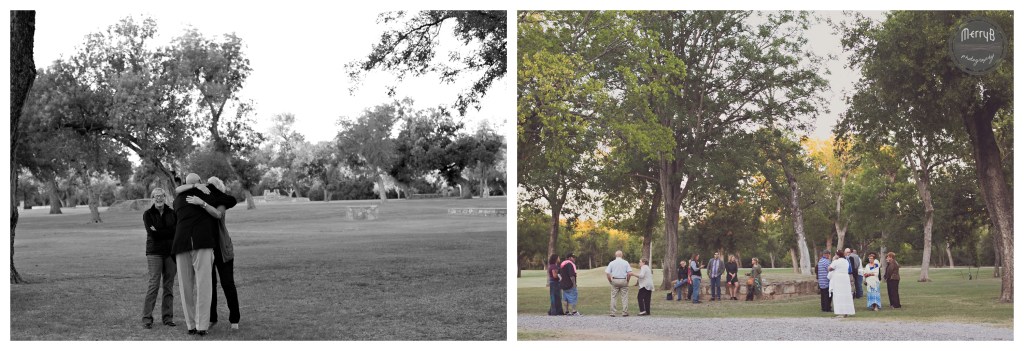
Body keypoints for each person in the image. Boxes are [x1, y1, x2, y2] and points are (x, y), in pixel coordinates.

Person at [172, 173, 237, 336]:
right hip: (202, 242)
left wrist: (194, 191)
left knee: (185, 286)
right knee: (204, 285)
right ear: (201, 182)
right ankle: (202, 326)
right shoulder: (208, 191)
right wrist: (205, 195)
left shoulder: (177, 200)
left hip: (181, 243)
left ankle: (190, 325)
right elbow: (232, 200)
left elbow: (177, 189)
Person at [142, 188, 177, 329]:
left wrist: (160, 231)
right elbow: (152, 233)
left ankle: (167, 317)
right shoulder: (148, 214)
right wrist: (166, 232)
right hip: (154, 253)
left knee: (168, 286)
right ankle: (147, 318)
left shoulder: (172, 213)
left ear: (165, 197)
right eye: (156, 196)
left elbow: (175, 231)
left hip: (170, 253)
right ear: (152, 198)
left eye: (161, 196)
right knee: (154, 285)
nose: (159, 199)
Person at [828, 249, 855, 317]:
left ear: (837, 255)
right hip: (845, 278)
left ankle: (841, 312)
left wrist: (834, 260)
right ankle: (846, 311)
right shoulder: (846, 261)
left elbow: (829, 268)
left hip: (838, 279)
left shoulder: (836, 262)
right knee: (846, 294)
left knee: (838, 295)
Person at [605, 250, 632, 317]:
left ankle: (612, 312)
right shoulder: (626, 262)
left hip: (615, 280)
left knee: (613, 297)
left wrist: (610, 281)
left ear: (615, 255)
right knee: (624, 297)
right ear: (622, 255)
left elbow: (607, 273)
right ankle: (625, 312)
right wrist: (628, 280)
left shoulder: (612, 263)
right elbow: (629, 273)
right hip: (623, 280)